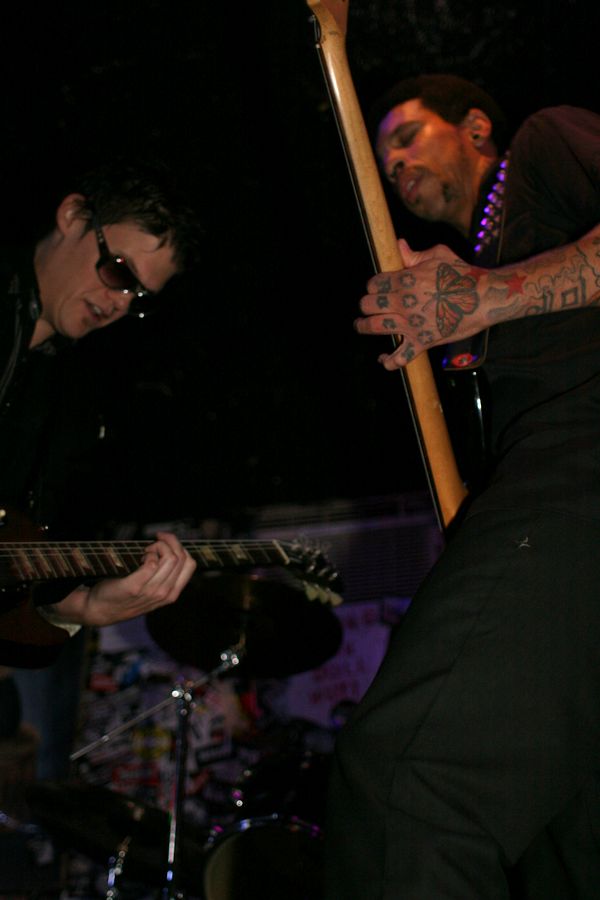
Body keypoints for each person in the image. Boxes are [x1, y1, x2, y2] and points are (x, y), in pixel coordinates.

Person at [324, 74, 600, 898]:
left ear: (477, 127)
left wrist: (488, 295)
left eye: (408, 138)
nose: (397, 166)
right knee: (561, 850)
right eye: (384, 161)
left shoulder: (543, 146)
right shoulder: (477, 264)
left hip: (580, 462)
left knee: (410, 781)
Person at [0, 157, 202, 682]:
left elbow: (17, 576)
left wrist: (86, 608)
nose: (119, 303)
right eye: (119, 272)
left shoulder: (68, 401)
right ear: (72, 216)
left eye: (138, 297)